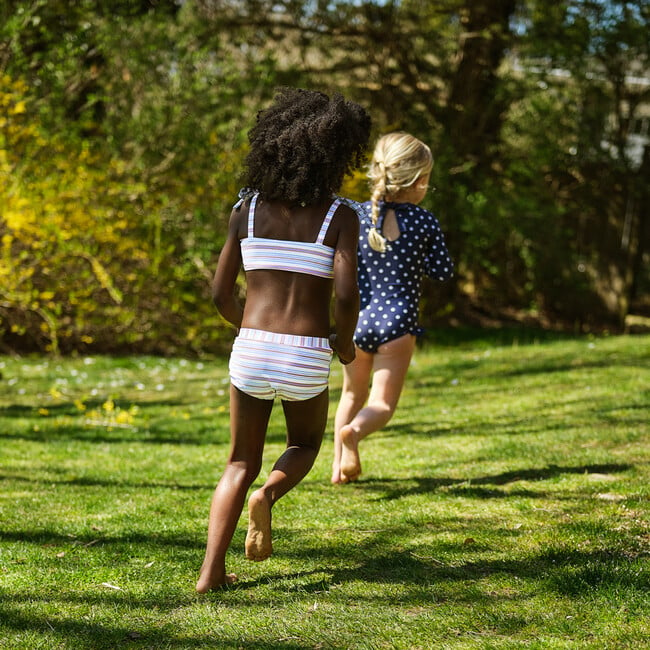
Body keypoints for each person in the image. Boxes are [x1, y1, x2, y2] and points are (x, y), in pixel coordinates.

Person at [196, 87, 371, 592]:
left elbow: (219, 293)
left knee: (237, 461)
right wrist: (343, 343)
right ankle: (267, 498)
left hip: (251, 348)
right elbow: (345, 293)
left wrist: (246, 329)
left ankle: (210, 575)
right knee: (303, 443)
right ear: (337, 155)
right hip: (306, 353)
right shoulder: (339, 215)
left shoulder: (246, 211)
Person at [330, 132, 453, 485]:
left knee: (351, 394)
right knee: (382, 405)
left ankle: (338, 470)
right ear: (418, 180)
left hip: (358, 324)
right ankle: (353, 433)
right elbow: (442, 272)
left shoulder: (354, 215)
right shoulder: (423, 221)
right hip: (398, 325)